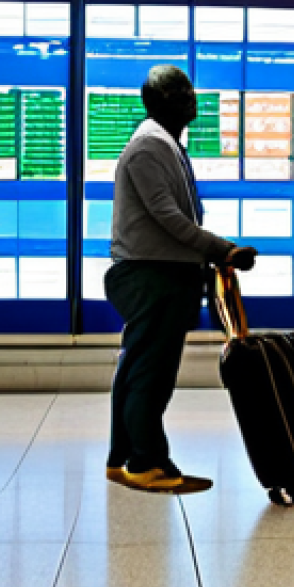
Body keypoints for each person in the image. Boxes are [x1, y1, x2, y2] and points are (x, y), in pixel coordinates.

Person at [104, 64, 257, 495]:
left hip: (160, 273)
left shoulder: (162, 143)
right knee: (151, 374)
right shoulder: (150, 147)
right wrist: (221, 249)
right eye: (182, 92)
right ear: (160, 101)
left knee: (136, 368)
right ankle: (147, 463)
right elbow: (167, 216)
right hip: (153, 275)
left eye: (190, 90)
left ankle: (123, 459)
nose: (192, 98)